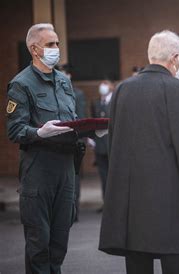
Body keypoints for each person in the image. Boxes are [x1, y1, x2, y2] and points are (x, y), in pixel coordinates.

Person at [98, 30, 179, 274]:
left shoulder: (123, 89)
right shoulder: (178, 90)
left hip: (132, 196)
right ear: (175, 58)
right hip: (170, 195)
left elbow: (115, 142)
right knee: (174, 258)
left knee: (137, 260)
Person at [6, 23, 90, 274]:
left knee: (59, 241)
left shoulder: (63, 82)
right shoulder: (21, 84)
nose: (56, 49)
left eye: (57, 43)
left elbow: (72, 118)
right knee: (39, 242)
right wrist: (39, 132)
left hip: (65, 167)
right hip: (39, 167)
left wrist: (90, 129)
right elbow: (15, 130)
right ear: (34, 49)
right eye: (50, 44)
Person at [57, 63, 87, 222]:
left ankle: (73, 209)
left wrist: (80, 138)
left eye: (65, 73)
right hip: (57, 139)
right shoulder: (54, 92)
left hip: (74, 140)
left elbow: (81, 116)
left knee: (73, 176)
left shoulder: (78, 94)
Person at [89, 80, 114, 205]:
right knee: (103, 176)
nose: (103, 87)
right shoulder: (96, 102)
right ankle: (106, 204)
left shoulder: (115, 101)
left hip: (112, 145)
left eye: (106, 84)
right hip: (99, 145)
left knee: (114, 177)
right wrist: (91, 138)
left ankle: (115, 204)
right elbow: (94, 121)